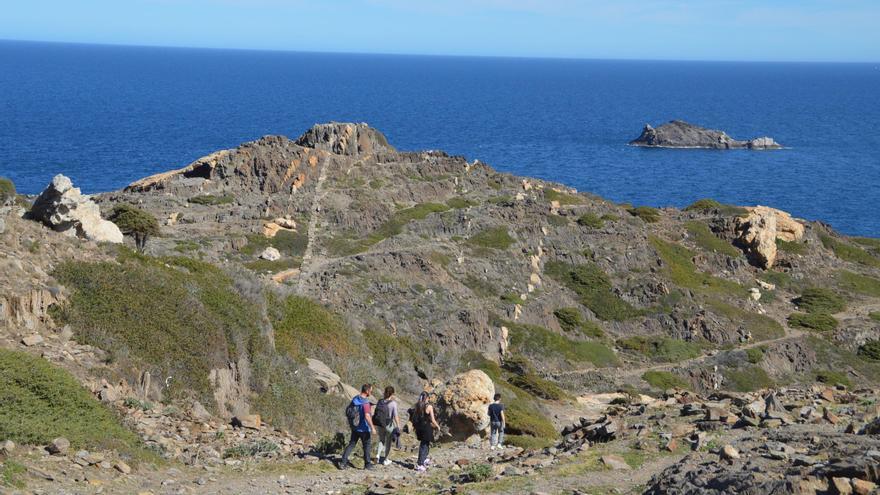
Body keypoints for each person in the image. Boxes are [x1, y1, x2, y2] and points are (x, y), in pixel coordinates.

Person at [339, 384, 376, 470]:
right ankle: (367, 464)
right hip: (364, 428)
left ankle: (343, 462)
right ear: (367, 391)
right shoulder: (365, 403)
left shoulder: (355, 399)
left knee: (351, 444)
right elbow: (367, 416)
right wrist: (372, 427)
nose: (371, 392)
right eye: (371, 390)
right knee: (366, 446)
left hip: (355, 427)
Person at [411, 392, 440, 472]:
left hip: (419, 428)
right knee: (424, 445)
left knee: (424, 444)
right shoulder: (429, 406)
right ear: (427, 398)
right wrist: (438, 426)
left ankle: (424, 459)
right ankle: (420, 464)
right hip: (426, 428)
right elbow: (432, 419)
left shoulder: (417, 405)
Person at [374, 386, 400, 466]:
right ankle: (385, 460)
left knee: (381, 440)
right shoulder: (393, 404)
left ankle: (377, 455)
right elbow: (395, 416)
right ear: (392, 394)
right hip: (389, 425)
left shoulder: (380, 401)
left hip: (380, 424)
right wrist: (398, 426)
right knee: (388, 442)